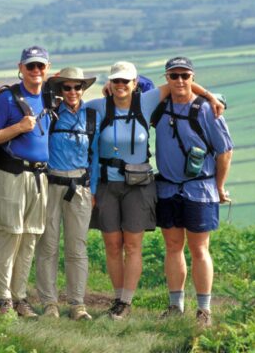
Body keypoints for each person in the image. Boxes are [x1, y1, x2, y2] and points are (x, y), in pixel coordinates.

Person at [87, 61, 222, 320]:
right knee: (113, 246)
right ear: (110, 83)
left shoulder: (146, 102)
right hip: (106, 183)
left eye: (125, 81)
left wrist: (209, 96)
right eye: (115, 81)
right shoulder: (97, 107)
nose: (120, 85)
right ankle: (118, 300)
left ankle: (126, 301)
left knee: (133, 246)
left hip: (138, 186)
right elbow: (72, 109)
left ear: (135, 83)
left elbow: (178, 82)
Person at [153, 57, 233, 327]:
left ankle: (204, 310)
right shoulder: (159, 106)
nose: (179, 81)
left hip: (200, 188)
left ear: (192, 77)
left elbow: (225, 151)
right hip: (167, 188)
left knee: (200, 249)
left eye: (185, 76)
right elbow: (132, 87)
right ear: (167, 78)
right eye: (174, 76)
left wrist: (219, 186)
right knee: (173, 247)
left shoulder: (207, 110)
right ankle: (175, 306)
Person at [0, 45, 52, 317]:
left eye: (40, 66)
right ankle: (3, 299)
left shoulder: (49, 96)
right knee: (8, 235)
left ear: (47, 68)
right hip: (11, 174)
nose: (35, 71)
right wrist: (18, 128)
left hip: (39, 177)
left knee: (30, 238)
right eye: (30, 66)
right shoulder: (6, 100)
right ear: (20, 68)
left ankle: (20, 297)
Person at [34, 67, 101, 321]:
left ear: (84, 89)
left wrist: (92, 190)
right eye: (67, 87)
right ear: (59, 89)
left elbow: (94, 159)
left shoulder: (92, 117)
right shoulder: (50, 114)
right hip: (51, 186)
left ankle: (77, 305)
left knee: (77, 249)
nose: (73, 92)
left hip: (81, 188)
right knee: (48, 246)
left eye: (78, 87)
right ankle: (49, 303)